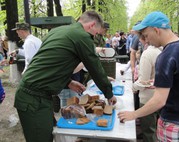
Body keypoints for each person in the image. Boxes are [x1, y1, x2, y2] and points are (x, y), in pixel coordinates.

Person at [14, 11, 117, 142]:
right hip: (33, 98)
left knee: (50, 135)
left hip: (36, 95)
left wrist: (68, 82)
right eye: (96, 33)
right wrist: (109, 93)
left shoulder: (57, 31)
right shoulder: (82, 36)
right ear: (91, 25)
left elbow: (49, 65)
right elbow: (94, 67)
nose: (94, 37)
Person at [118, 11, 179, 142]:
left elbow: (159, 101)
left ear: (156, 30)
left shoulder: (166, 56)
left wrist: (133, 114)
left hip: (173, 119)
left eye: (146, 35)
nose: (146, 41)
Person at [132, 34, 162, 141]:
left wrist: (133, 87)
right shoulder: (160, 51)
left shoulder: (148, 54)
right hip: (159, 95)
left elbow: (143, 81)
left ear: (142, 39)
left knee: (148, 127)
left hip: (148, 97)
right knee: (153, 124)